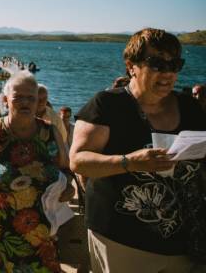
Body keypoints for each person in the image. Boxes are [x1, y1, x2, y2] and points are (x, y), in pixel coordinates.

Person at [70, 28, 206, 272]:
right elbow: (78, 161)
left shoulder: (190, 108)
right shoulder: (107, 104)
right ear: (131, 66)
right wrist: (129, 162)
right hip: (122, 239)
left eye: (175, 64)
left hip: (184, 240)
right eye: (157, 63)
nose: (168, 72)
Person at [0, 72, 72, 272]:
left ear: (39, 101)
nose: (25, 103)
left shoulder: (50, 133)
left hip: (42, 236)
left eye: (31, 98)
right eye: (18, 97)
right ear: (5, 100)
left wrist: (68, 185)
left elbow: (65, 168)